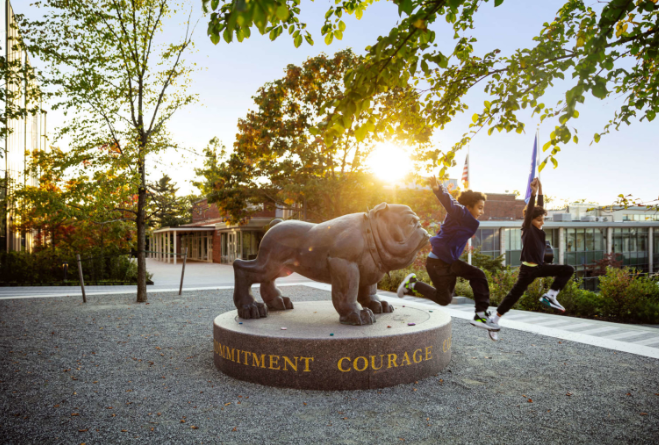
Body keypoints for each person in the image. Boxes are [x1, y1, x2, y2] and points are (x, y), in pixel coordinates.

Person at [397, 176, 499, 331]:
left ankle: (412, 284)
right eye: (479, 207)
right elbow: (450, 204)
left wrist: (442, 190)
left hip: (447, 262)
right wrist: (439, 190)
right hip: (438, 263)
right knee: (478, 275)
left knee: (444, 299)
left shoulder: (462, 215)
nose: (482, 212)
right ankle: (481, 315)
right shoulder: (460, 213)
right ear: (469, 207)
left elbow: (453, 204)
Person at [489, 178, 575, 327]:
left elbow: (539, 207)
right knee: (514, 295)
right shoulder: (528, 228)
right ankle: (495, 319)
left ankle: (550, 296)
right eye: (539, 220)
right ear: (531, 220)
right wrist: (533, 194)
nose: (542, 222)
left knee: (568, 269)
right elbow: (529, 213)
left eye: (543, 219)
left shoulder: (538, 228)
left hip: (538, 268)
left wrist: (541, 189)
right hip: (528, 270)